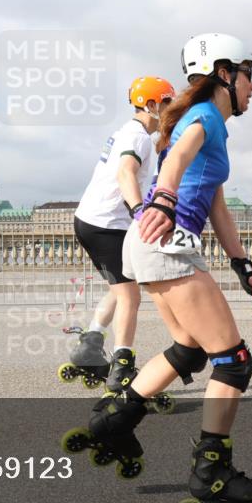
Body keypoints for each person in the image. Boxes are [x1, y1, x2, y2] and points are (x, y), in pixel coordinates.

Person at [63, 34, 252, 503]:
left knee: (188, 350)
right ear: (224, 73)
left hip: (156, 247)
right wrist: (165, 198)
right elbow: (175, 160)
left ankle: (115, 421)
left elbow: (217, 205)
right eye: (249, 74)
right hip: (165, 245)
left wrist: (243, 265)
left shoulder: (213, 125)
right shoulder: (204, 119)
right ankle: (212, 472)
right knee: (234, 362)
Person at [62, 76, 174, 393]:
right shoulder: (137, 137)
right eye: (167, 104)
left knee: (121, 285)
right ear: (152, 105)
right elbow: (126, 172)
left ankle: (91, 342)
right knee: (130, 295)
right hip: (106, 224)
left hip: (91, 220)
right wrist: (141, 211)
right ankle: (122, 366)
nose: (171, 110)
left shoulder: (131, 134)